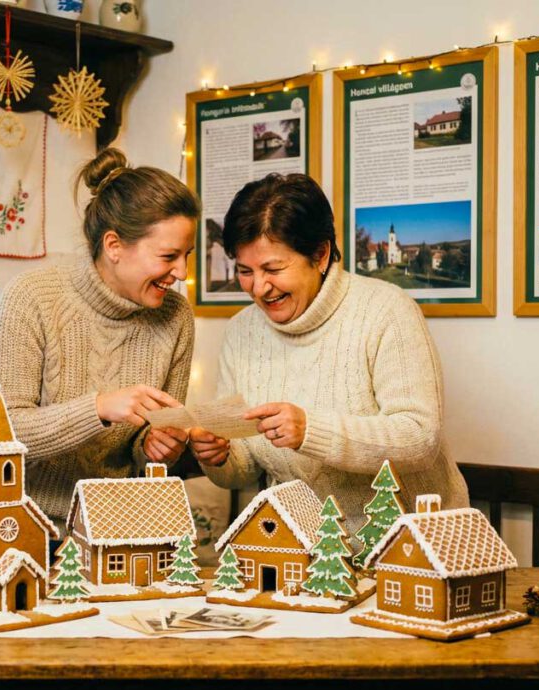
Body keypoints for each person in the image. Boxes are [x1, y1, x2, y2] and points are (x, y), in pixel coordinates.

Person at [190, 173, 468, 540]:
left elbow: (420, 438)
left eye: (273, 269)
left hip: (413, 546)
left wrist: (310, 430)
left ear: (320, 255)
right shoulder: (242, 331)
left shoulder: (387, 311)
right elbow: (243, 466)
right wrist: (220, 454)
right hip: (304, 550)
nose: (258, 288)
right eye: (245, 271)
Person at [0, 148, 199, 526]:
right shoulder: (31, 298)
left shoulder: (176, 317)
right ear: (114, 246)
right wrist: (98, 409)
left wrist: (156, 447)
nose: (181, 272)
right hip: (25, 527)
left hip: (116, 528)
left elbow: (147, 452)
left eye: (187, 255)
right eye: (169, 256)